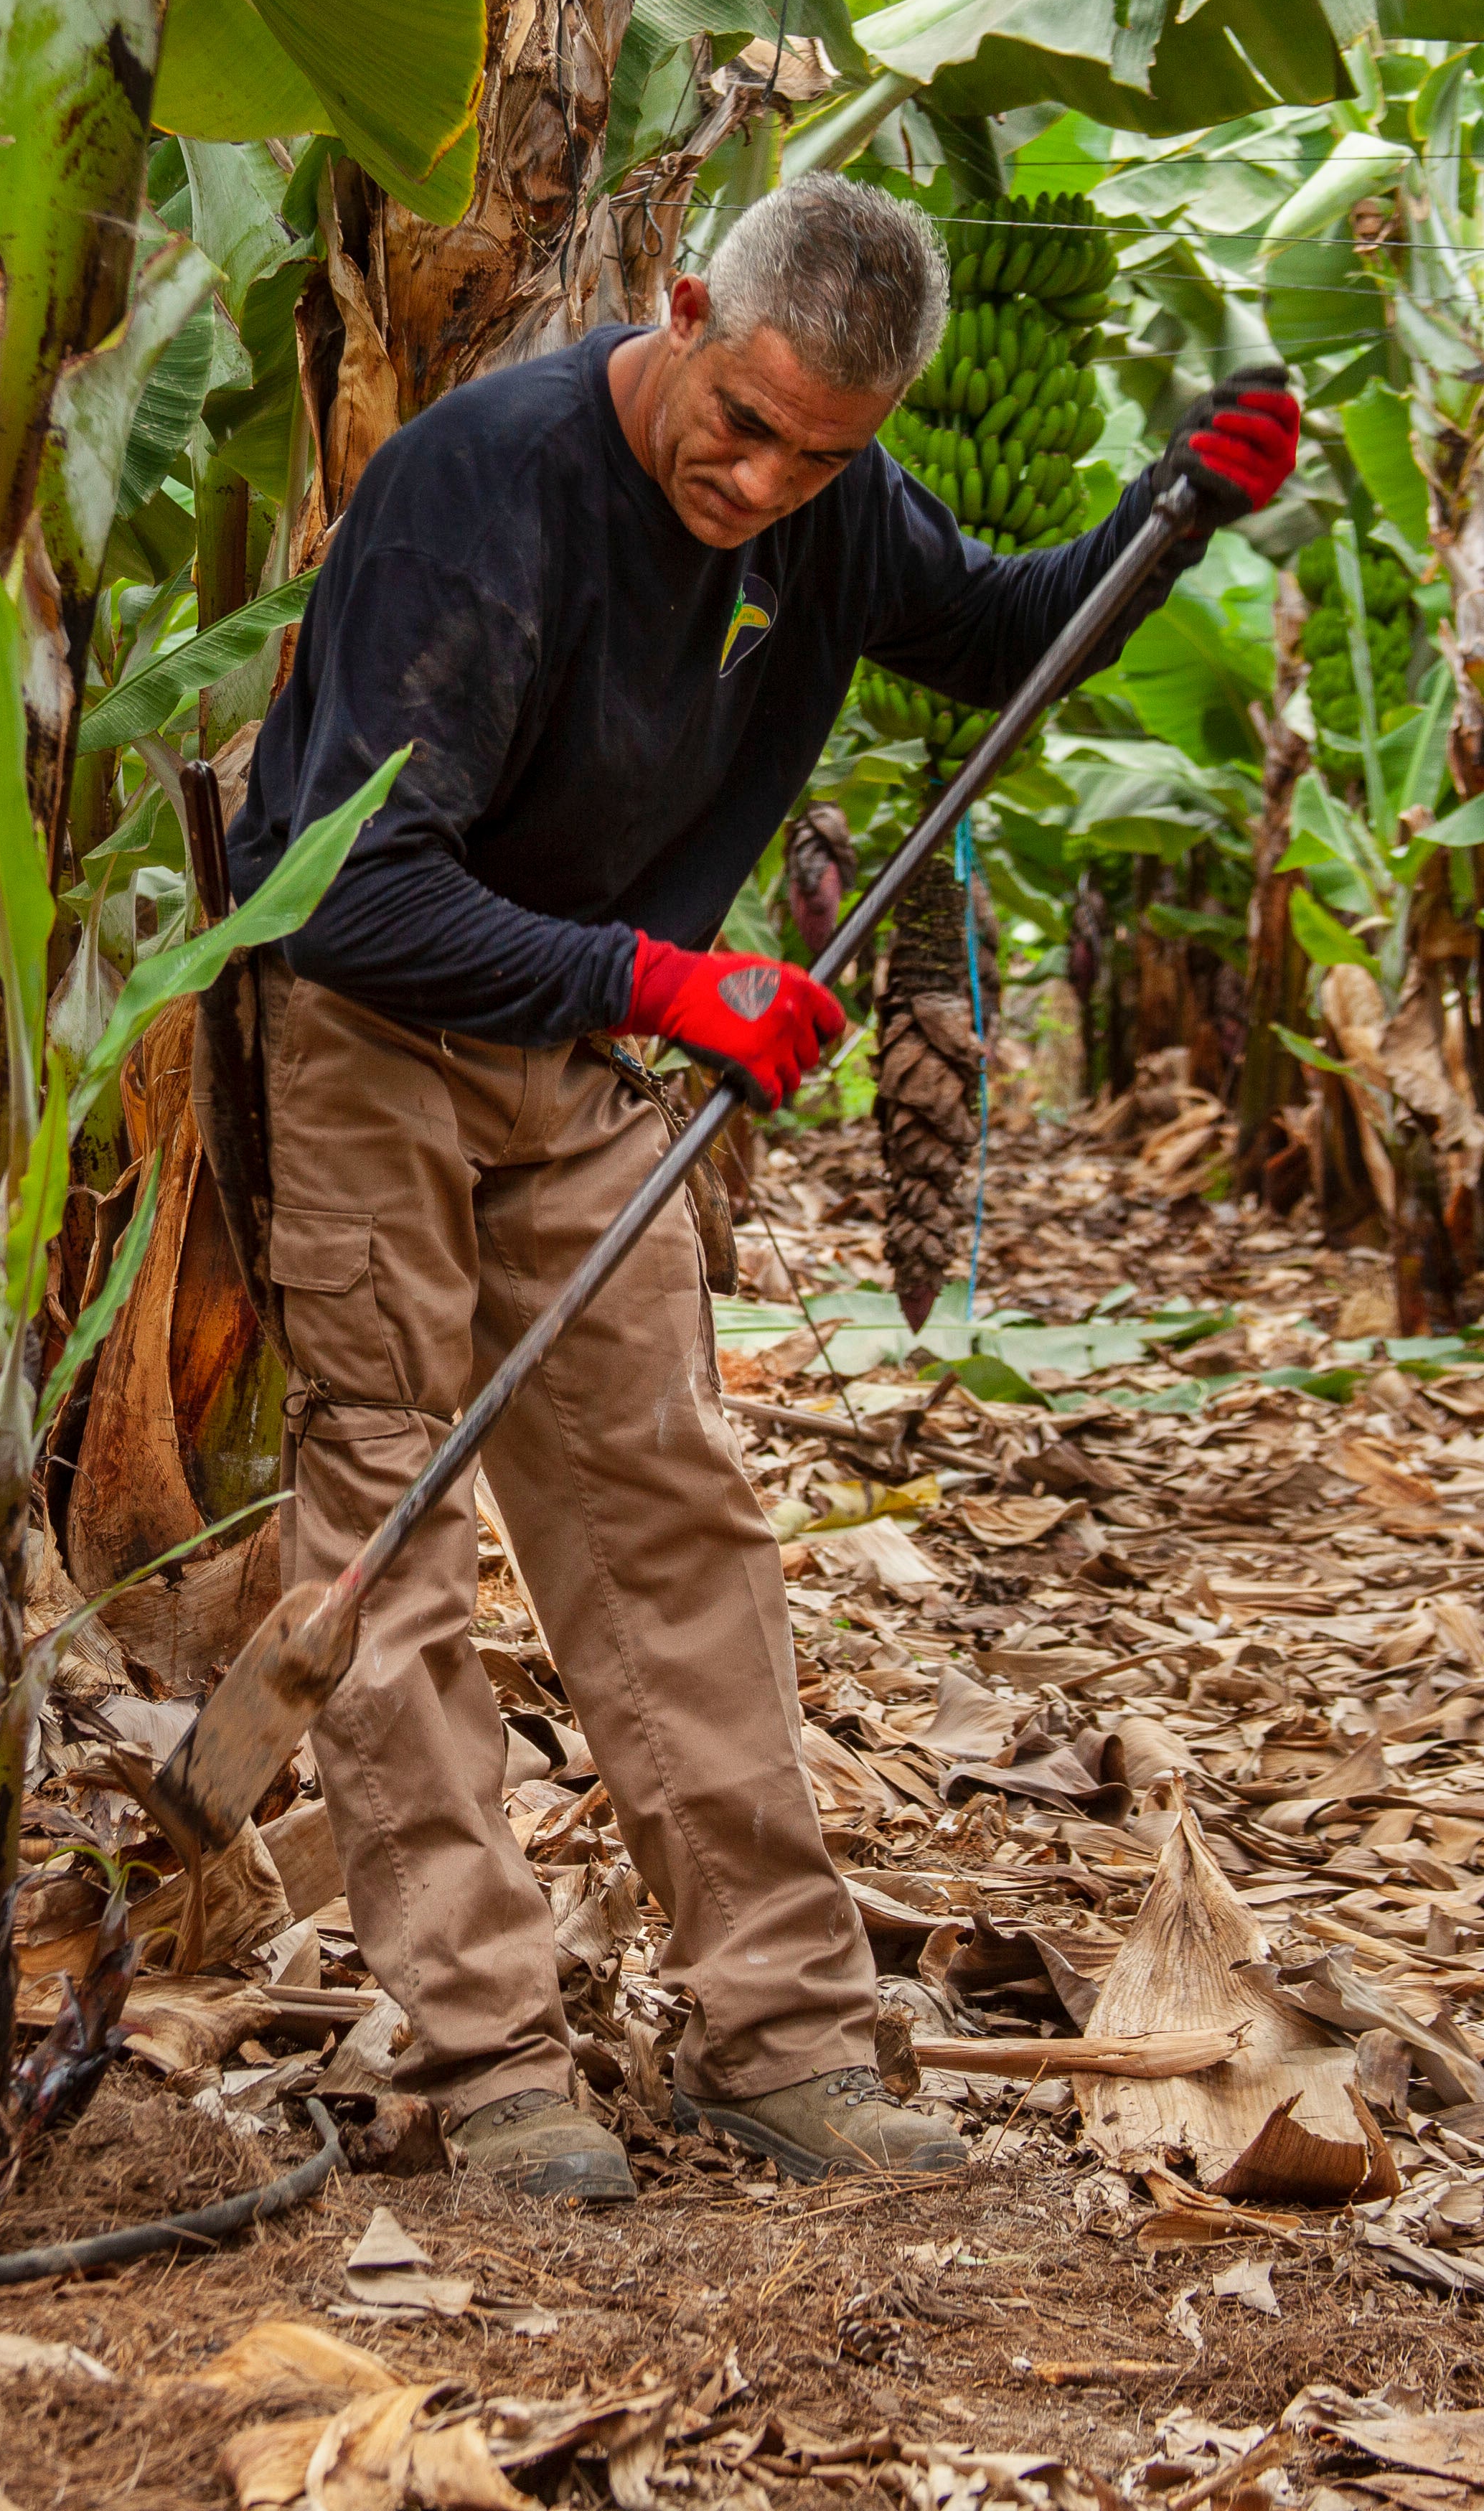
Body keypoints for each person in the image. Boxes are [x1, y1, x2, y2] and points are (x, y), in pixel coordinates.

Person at [224, 174, 1298, 2202]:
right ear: (686, 301)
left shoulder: (829, 504)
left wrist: (1167, 526)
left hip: (587, 1053)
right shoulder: (491, 493)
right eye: (746, 421)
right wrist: (660, 975)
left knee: (674, 1524)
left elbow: (1000, 641)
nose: (762, 478)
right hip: (381, 1046)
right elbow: (354, 893)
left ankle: (783, 2041)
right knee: (395, 1547)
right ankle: (491, 2063)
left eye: (822, 453)